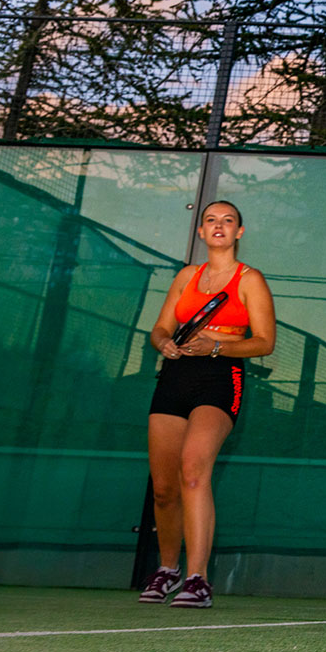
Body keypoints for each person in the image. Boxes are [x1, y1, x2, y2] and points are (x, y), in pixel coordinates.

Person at [136, 200, 276, 608]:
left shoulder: (250, 280)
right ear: (200, 232)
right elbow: (161, 327)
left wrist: (215, 345)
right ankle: (167, 570)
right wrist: (164, 342)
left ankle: (198, 579)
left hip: (221, 376)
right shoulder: (185, 276)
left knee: (193, 469)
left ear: (239, 233)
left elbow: (265, 342)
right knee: (163, 489)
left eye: (227, 221)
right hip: (176, 377)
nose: (219, 226)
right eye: (211, 220)